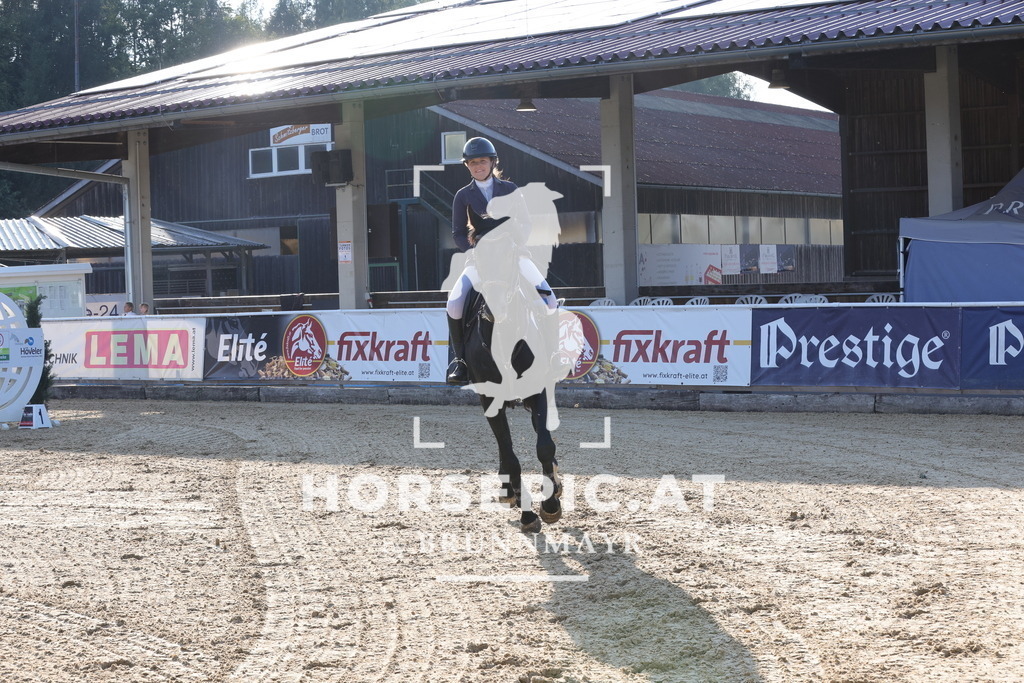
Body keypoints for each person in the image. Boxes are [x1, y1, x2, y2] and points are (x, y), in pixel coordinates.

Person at [444, 137, 557, 385]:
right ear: (468, 166)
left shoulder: (510, 190)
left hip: (513, 257)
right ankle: (460, 362)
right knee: (454, 302)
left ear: (492, 162)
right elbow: (458, 233)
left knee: (549, 298)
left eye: (482, 161)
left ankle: (553, 356)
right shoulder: (463, 196)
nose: (477, 166)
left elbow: (525, 224)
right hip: (480, 261)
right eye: (472, 163)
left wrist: (514, 246)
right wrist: (472, 252)